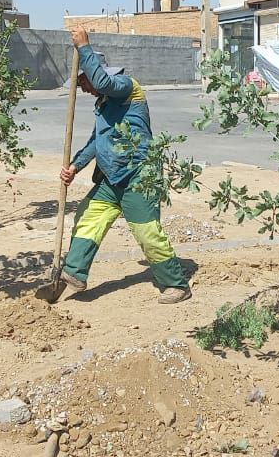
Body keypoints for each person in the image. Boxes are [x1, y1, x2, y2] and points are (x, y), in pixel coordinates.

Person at [58, 26, 191, 304]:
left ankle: (176, 284)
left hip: (139, 175)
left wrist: (84, 47)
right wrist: (74, 166)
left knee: (146, 232)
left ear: (95, 73)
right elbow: (97, 142)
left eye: (82, 81)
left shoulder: (129, 88)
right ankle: (74, 273)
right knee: (87, 219)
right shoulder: (104, 104)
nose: (81, 88)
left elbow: (103, 83)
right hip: (111, 178)